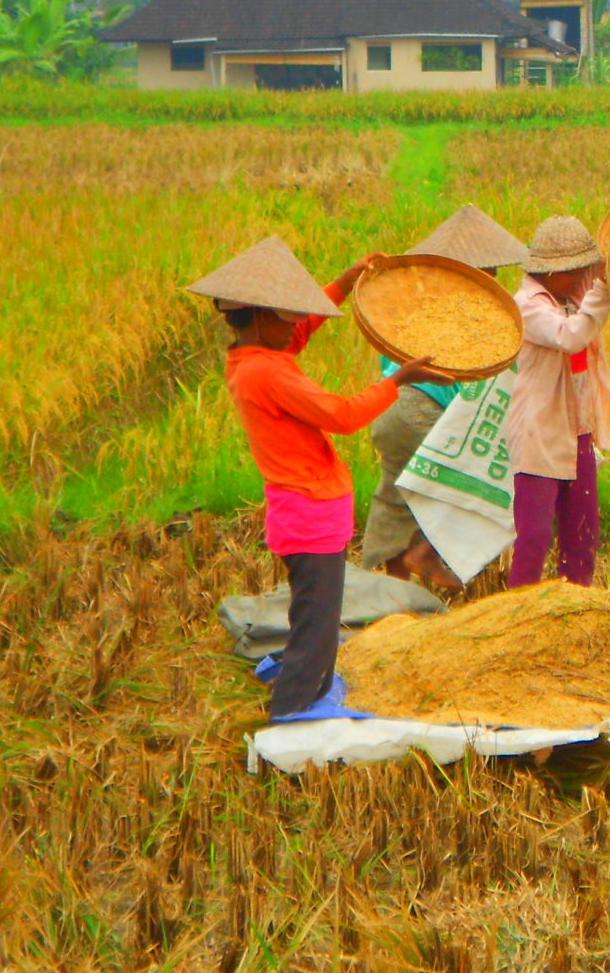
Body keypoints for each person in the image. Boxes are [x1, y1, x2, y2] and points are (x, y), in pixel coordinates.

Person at [188, 236, 444, 719]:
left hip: (301, 509)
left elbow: (298, 335)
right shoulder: (271, 374)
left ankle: (309, 684)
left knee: (313, 610)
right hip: (309, 510)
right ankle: (294, 705)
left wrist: (344, 284)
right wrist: (397, 380)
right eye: (288, 318)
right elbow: (343, 415)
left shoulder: (252, 357)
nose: (296, 329)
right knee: (318, 620)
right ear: (264, 318)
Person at [357, 205, 530, 594]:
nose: (495, 282)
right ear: (476, 275)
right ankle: (425, 552)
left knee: (396, 496)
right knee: (459, 483)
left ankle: (393, 594)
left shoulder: (415, 308)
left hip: (388, 409)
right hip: (423, 410)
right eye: (490, 275)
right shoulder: (472, 317)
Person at [506, 215, 610, 588]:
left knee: (583, 533)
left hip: (578, 429)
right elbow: (569, 337)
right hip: (539, 431)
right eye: (572, 271)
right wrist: (602, 291)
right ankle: (518, 616)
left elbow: (591, 309)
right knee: (535, 537)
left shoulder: (571, 298)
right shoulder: (527, 306)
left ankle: (576, 609)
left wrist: (608, 276)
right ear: (549, 273)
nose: (580, 278)